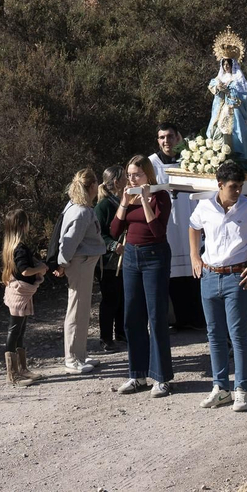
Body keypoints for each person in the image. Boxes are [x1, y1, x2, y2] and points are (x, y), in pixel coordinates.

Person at [189, 161, 247, 413]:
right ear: (220, 185)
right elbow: (194, 225)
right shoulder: (205, 206)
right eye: (234, 187)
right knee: (214, 335)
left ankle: (242, 389)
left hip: (237, 277)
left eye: (241, 186)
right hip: (209, 276)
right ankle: (220, 388)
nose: (239, 191)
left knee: (238, 336)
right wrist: (194, 257)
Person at [110, 155, 173, 397]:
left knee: (156, 317)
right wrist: (125, 203)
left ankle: (162, 378)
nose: (131, 178)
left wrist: (145, 201)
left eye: (136, 174)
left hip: (155, 256)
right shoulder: (128, 196)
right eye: (129, 174)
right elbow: (115, 230)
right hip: (131, 258)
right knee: (132, 316)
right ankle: (137, 374)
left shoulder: (160, 196)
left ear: (148, 174)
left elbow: (157, 231)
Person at [149, 125, 205, 333]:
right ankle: (178, 318)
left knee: (194, 269)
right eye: (162, 137)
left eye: (170, 136)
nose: (166, 141)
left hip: (189, 218)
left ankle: (197, 317)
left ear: (177, 138)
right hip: (168, 223)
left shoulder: (190, 160)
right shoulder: (151, 163)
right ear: (158, 140)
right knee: (172, 273)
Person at [54, 168, 107, 375]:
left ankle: (80, 354)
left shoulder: (77, 207)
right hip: (80, 264)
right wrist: (62, 263)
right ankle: (72, 358)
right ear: (92, 186)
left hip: (84, 263)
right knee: (76, 310)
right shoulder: (81, 212)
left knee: (82, 310)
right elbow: (68, 242)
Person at [1, 208, 46, 387]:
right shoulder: (19, 248)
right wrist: (41, 269)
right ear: (22, 225)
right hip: (19, 293)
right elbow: (25, 270)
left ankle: (21, 369)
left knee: (19, 331)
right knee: (14, 331)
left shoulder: (10, 245)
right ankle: (12, 374)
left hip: (19, 292)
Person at [207, 54, 247, 162]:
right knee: (218, 130)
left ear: (232, 65)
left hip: (234, 110)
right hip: (221, 110)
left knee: (238, 133)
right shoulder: (219, 78)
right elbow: (212, 87)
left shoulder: (237, 79)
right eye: (224, 64)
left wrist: (230, 92)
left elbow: (243, 97)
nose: (226, 66)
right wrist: (218, 88)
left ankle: (240, 157)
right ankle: (220, 156)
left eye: (228, 64)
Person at [94, 166, 125, 352]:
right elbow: (98, 235)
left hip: (124, 261)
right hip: (107, 263)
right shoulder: (103, 206)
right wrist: (114, 246)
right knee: (110, 300)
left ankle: (121, 333)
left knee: (122, 298)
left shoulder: (123, 202)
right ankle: (105, 338)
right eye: (124, 178)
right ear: (116, 182)